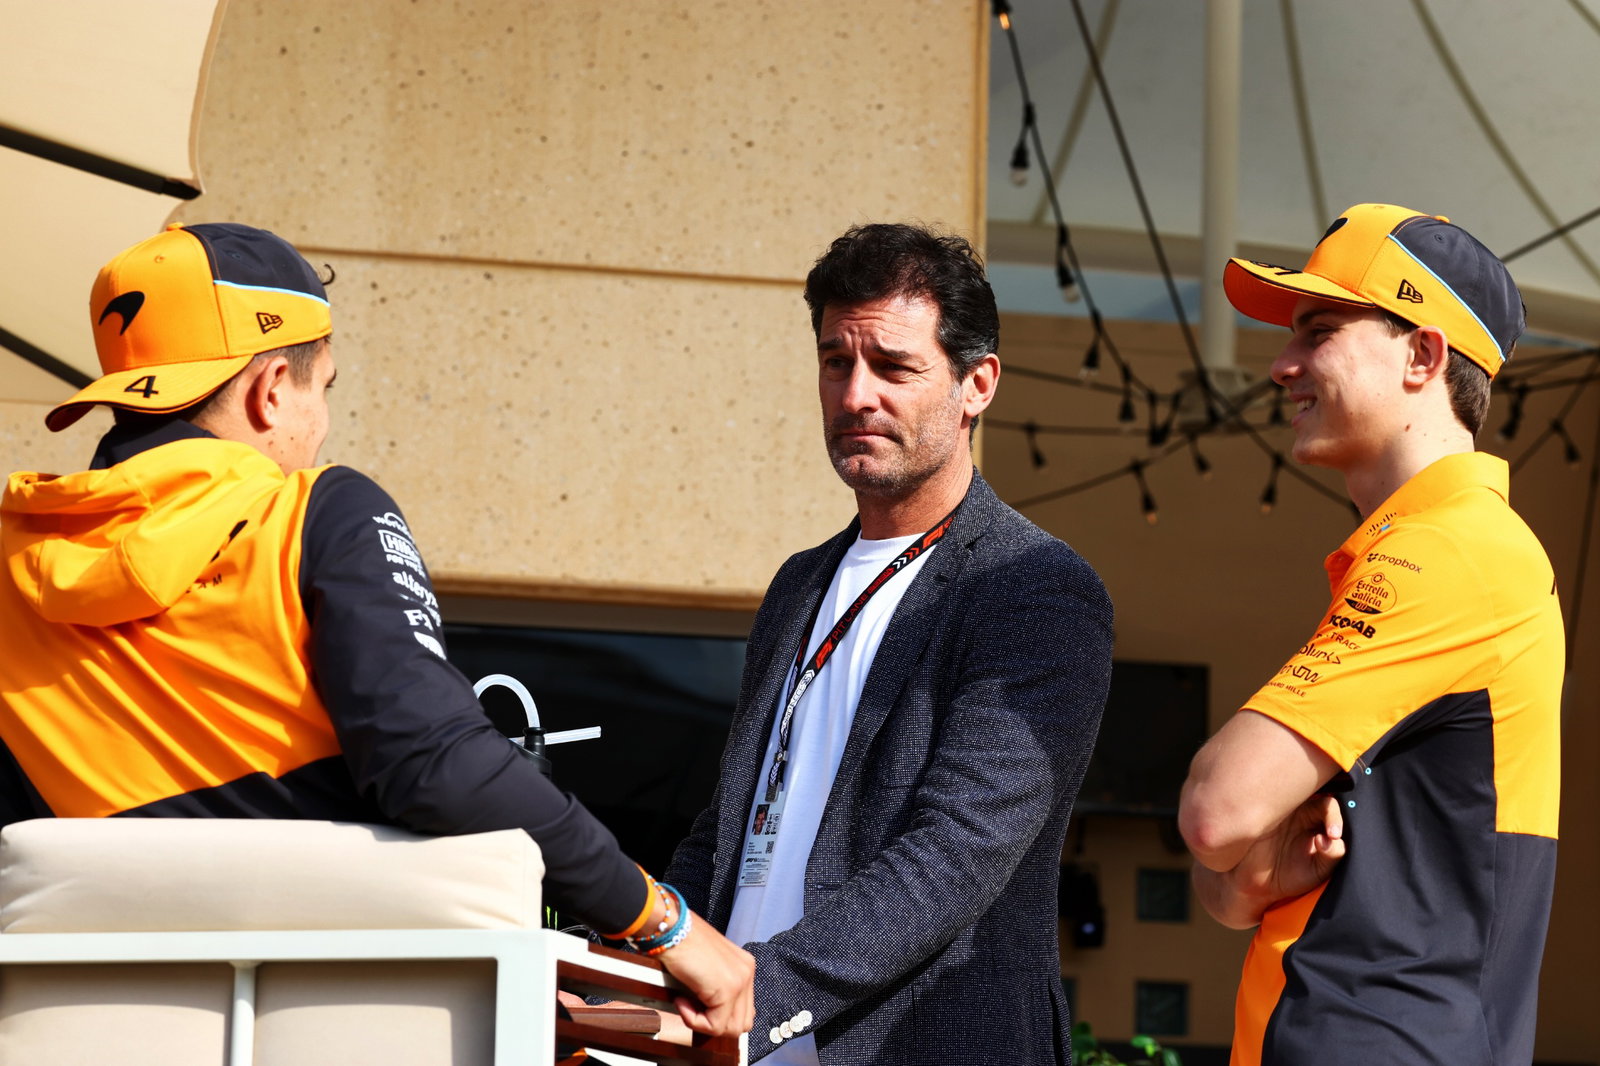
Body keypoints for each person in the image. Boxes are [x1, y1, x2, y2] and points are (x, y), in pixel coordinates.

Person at [0, 221, 754, 1037]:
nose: (320, 421)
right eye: (324, 389)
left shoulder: (11, 566)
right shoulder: (313, 513)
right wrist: (659, 919)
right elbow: (432, 762)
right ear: (272, 388)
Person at [665, 222, 1114, 1064]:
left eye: (894, 367)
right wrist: (650, 949)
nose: (855, 394)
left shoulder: (1033, 587)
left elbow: (956, 851)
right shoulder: (800, 583)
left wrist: (761, 990)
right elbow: (731, 823)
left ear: (977, 384)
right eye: (837, 361)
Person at [1178, 203, 1562, 1066]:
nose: (1280, 365)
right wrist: (1242, 872)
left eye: (1318, 330)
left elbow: (1214, 809)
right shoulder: (1438, 548)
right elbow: (1229, 880)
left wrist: (1231, 858)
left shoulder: (1452, 551)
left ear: (1424, 354)